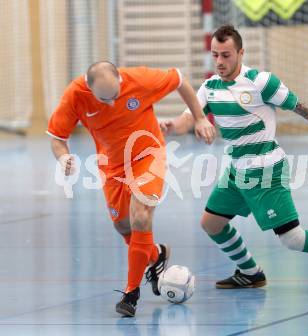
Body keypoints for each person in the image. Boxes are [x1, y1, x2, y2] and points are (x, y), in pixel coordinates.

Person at [161, 25, 308, 293]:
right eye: (215, 55)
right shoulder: (209, 88)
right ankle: (250, 272)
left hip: (266, 171)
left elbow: (300, 106)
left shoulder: (261, 82)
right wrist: (171, 126)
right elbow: (189, 119)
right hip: (236, 170)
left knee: (293, 238)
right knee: (212, 223)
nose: (219, 62)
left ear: (241, 53)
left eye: (226, 55)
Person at [46, 61, 215, 317]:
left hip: (148, 155)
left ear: (120, 80)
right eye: (105, 99)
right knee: (123, 226)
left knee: (141, 215)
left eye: (115, 95)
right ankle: (156, 256)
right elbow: (58, 138)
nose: (112, 103)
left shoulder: (140, 79)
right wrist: (63, 157)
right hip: (112, 166)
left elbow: (179, 79)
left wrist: (200, 118)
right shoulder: (74, 96)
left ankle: (131, 293)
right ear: (89, 88)